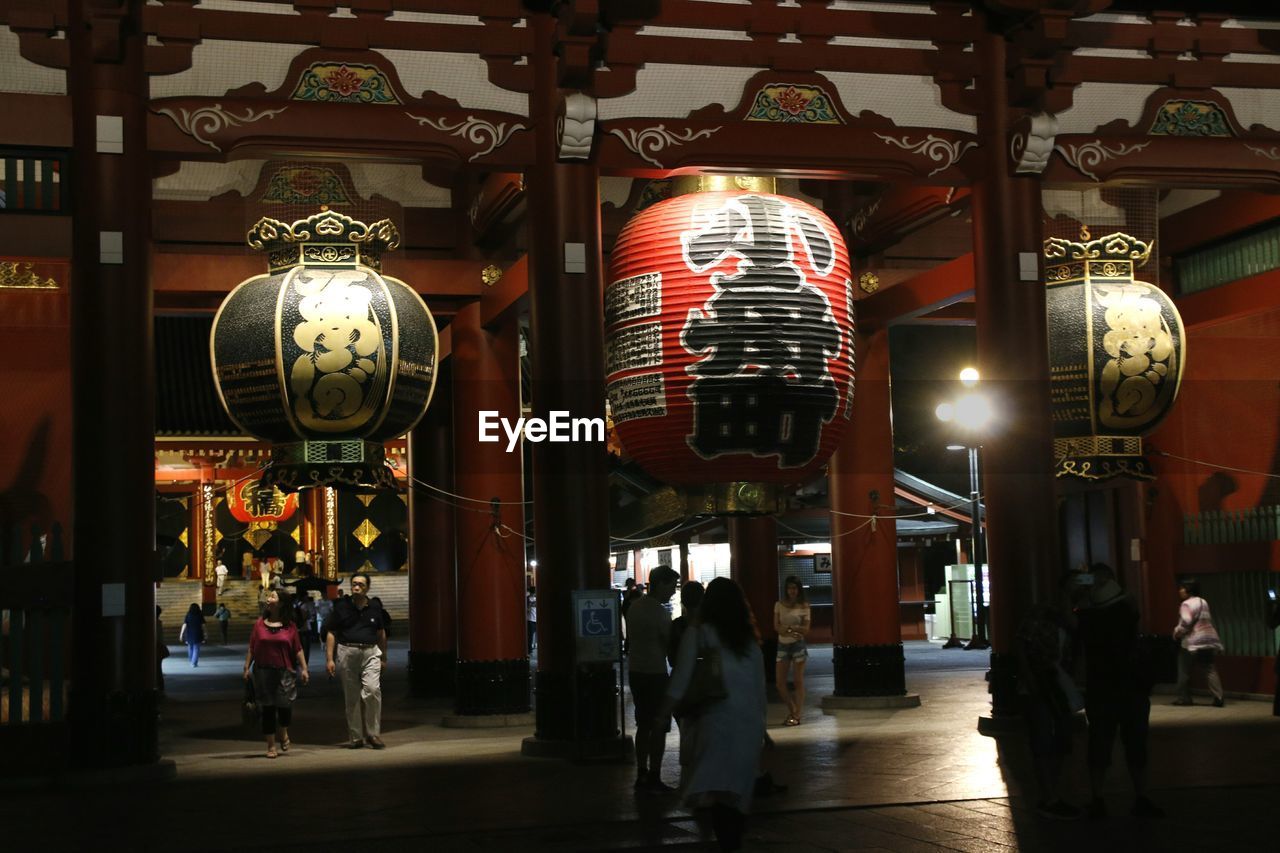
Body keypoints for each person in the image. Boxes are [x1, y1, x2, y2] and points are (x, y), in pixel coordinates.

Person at [658, 577, 767, 853]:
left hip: (717, 722)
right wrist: (762, 730)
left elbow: (681, 679)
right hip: (749, 725)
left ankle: (728, 845)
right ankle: (734, 843)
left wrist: (662, 714)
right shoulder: (750, 642)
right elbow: (760, 691)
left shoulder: (699, 634)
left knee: (718, 792)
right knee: (738, 794)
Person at [1076, 563, 1163, 819]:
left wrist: (1082, 592)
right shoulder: (1127, 613)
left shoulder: (1089, 619)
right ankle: (1141, 796)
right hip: (1132, 689)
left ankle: (1097, 798)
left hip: (1101, 690)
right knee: (1136, 745)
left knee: (1099, 744)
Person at [1015, 583, 1081, 821]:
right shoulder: (1039, 621)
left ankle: (1052, 793)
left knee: (1059, 739)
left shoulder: (1067, 624)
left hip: (1057, 685)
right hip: (1042, 685)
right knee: (1044, 738)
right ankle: (1049, 795)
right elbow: (1022, 650)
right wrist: (1031, 680)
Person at [627, 566, 680, 793]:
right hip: (655, 674)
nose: (674, 592)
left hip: (636, 673)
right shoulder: (660, 613)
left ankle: (641, 773)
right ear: (660, 584)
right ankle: (655, 775)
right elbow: (668, 645)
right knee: (659, 725)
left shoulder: (633, 608)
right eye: (672, 586)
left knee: (643, 724)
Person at [324, 572, 390, 749]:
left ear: (367, 587)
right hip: (348, 651)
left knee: (372, 690)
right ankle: (356, 737)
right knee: (352, 696)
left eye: (360, 584)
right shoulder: (342, 607)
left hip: (370, 652)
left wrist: (384, 656)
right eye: (354, 583)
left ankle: (373, 734)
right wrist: (330, 659)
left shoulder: (375, 608)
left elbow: (381, 633)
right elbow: (331, 632)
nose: (356, 587)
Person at [243, 589, 310, 759]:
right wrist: (246, 668)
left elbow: (298, 648)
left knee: (285, 707)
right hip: (263, 671)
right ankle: (271, 746)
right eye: (269, 596)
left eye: (273, 596)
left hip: (285, 672)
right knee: (268, 709)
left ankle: (283, 731)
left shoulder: (290, 626)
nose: (268, 598)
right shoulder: (259, 623)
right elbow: (252, 646)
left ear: (281, 603)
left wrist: (304, 669)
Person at [1173, 579, 1225, 707]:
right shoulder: (1203, 602)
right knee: (1210, 669)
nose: (1180, 591)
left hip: (1191, 642)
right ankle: (1218, 697)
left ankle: (1184, 698)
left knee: (1183, 670)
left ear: (1188, 590)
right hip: (1207, 640)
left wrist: (1177, 632)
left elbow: (1186, 621)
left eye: (1182, 588)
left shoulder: (1186, 604)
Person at [773, 576, 811, 726]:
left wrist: (787, 629)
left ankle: (797, 714)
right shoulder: (779, 605)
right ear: (786, 589)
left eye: (794, 588)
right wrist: (793, 629)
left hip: (798, 645)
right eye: (789, 588)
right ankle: (792, 708)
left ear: (799, 589)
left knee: (798, 680)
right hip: (782, 645)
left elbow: (806, 629)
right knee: (780, 683)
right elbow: (776, 627)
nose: (792, 591)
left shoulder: (804, 606)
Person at [178, 602, 205, 667]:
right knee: (196, 648)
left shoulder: (188, 614)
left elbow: (184, 624)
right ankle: (193, 662)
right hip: (198, 633)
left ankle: (191, 660)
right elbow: (203, 625)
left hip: (189, 633)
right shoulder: (200, 615)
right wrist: (206, 633)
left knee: (190, 648)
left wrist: (181, 634)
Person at [155, 605, 168, 694]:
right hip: (159, 648)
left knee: (156, 670)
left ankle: (158, 689)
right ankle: (161, 688)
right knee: (158, 669)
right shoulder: (158, 622)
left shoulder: (153, 623)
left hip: (155, 648)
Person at [526, 585, 538, 654]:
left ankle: (535, 645)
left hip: (536, 619)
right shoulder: (527, 599)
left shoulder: (536, 599)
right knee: (530, 635)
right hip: (530, 619)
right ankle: (529, 649)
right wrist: (530, 605)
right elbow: (527, 609)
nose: (534, 594)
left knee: (536, 635)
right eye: (533, 592)